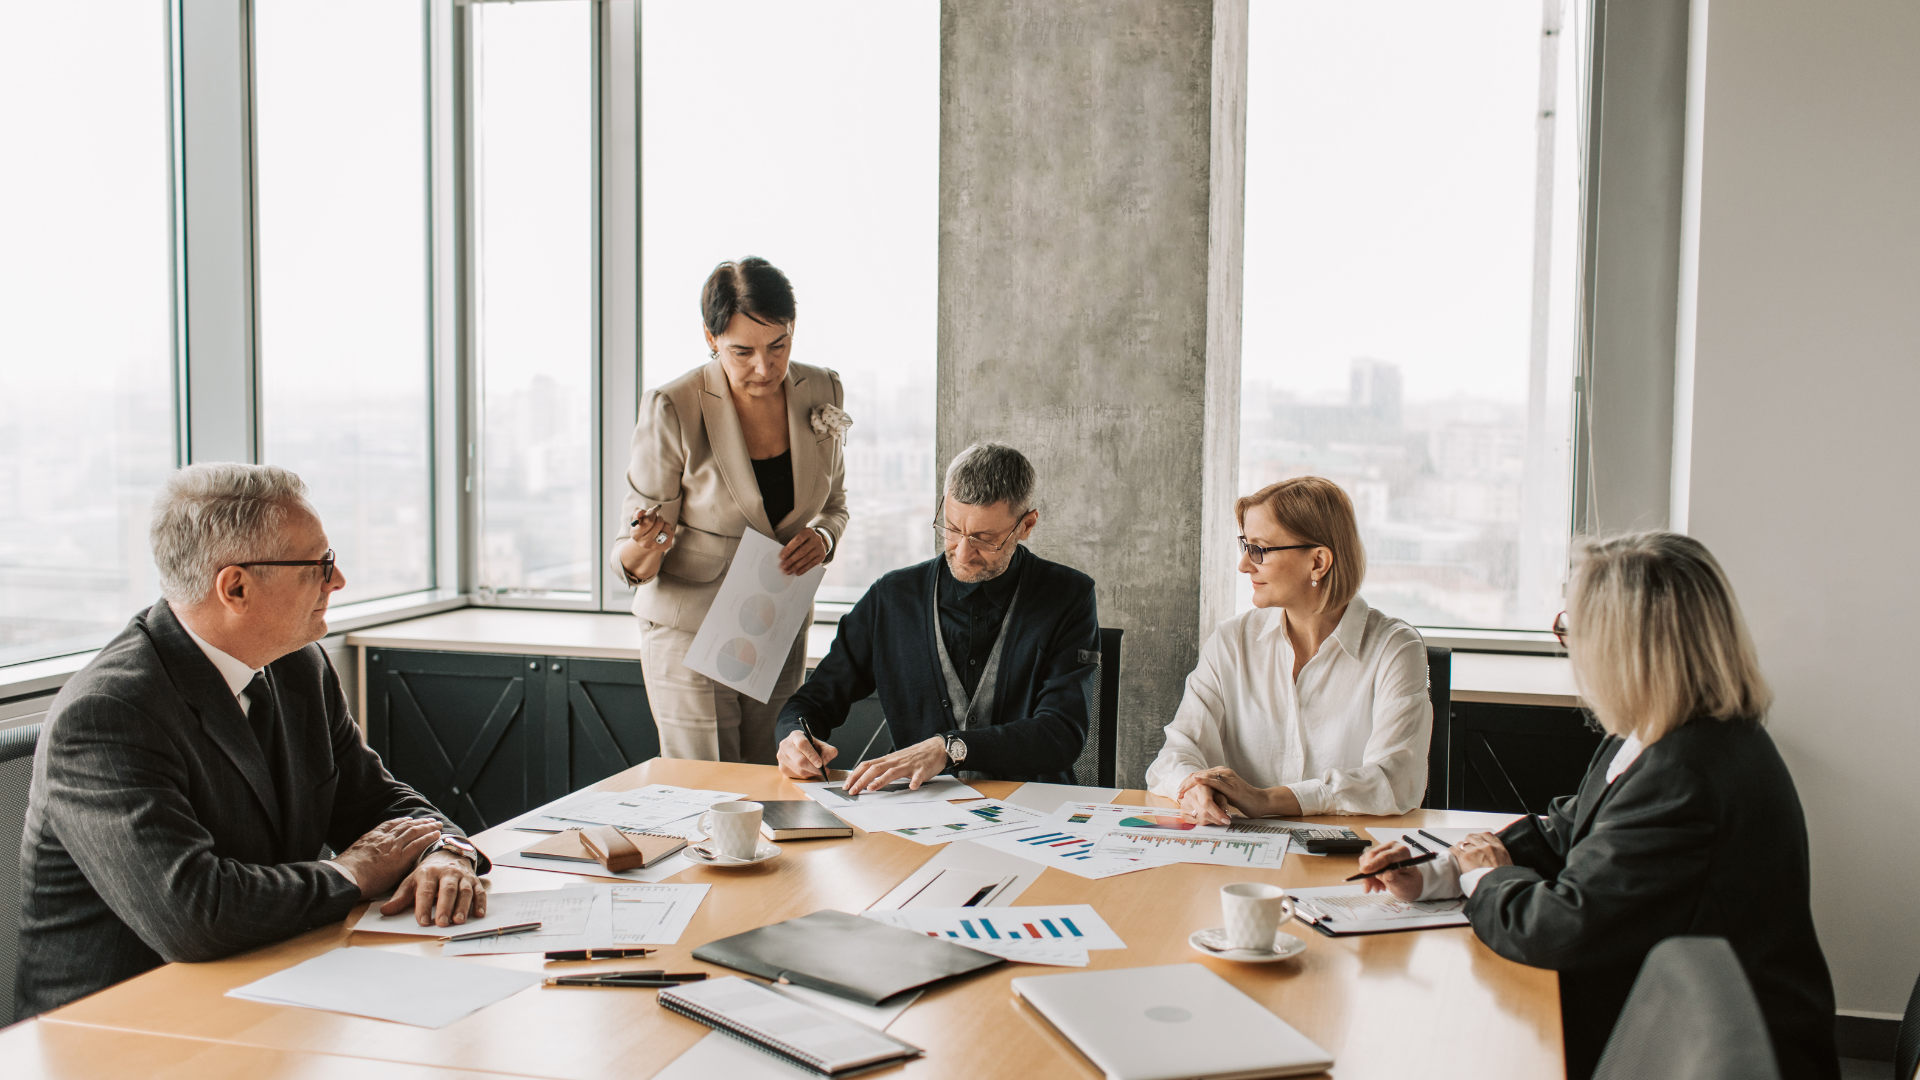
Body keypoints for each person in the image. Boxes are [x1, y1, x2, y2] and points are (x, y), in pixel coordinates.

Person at [1358, 532, 1839, 1080]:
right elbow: (1565, 832)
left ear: (1624, 648)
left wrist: (1484, 880)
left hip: (1714, 1054)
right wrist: (1437, 872)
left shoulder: (1688, 776)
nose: (1566, 645)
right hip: (1653, 1009)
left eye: (1570, 628)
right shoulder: (1653, 734)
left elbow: (1561, 929)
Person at [16, 464, 489, 1019]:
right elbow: (193, 913)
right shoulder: (108, 714)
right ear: (235, 586)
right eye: (320, 565)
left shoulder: (296, 665)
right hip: (122, 1026)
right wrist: (355, 872)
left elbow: (378, 804)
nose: (338, 582)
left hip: (270, 980)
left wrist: (444, 854)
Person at [610, 257, 849, 765]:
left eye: (778, 346)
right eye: (742, 351)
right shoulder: (673, 406)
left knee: (777, 781)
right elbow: (629, 562)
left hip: (776, 618)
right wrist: (647, 543)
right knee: (710, 792)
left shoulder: (823, 389)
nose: (764, 368)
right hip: (690, 631)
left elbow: (835, 503)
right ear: (710, 338)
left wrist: (824, 537)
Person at [773, 443, 1097, 791]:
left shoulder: (1068, 596)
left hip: (1033, 807)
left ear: (1026, 525)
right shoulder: (891, 598)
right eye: (953, 528)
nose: (963, 552)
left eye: (985, 539)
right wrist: (794, 737)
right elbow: (813, 700)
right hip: (917, 812)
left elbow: (1061, 734)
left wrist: (949, 748)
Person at [1144, 477, 1431, 822]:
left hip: (1351, 861)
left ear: (1318, 562)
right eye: (1245, 546)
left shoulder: (1395, 648)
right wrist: (1193, 786)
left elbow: (1395, 781)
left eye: (1260, 550)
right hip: (1239, 856)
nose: (1245, 565)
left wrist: (1267, 800)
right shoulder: (1231, 640)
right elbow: (1175, 753)